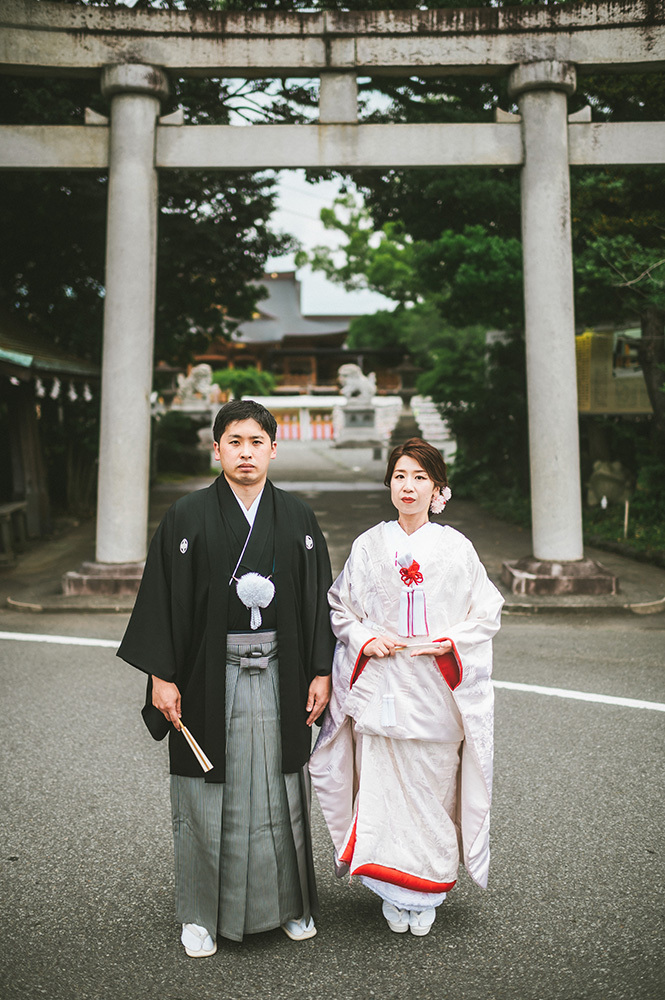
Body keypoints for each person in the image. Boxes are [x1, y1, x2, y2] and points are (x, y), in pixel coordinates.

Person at [117, 399, 334, 955]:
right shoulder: (187, 516)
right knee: (204, 790)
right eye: (233, 442)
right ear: (217, 450)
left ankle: (290, 904)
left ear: (272, 449)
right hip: (208, 674)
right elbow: (162, 602)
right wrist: (159, 678)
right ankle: (199, 915)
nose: (245, 452)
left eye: (255, 442)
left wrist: (319, 670)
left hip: (282, 673)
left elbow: (317, 602)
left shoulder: (298, 518)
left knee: (281, 787)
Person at [309, 437, 503, 937]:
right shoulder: (370, 544)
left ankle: (428, 889)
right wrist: (365, 638)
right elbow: (340, 606)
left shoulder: (456, 548)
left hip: (437, 693)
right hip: (384, 688)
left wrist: (450, 643)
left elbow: (487, 612)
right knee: (383, 793)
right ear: (389, 484)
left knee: (432, 793)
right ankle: (393, 894)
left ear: (438, 488)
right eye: (400, 476)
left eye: (420, 477)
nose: (408, 486)